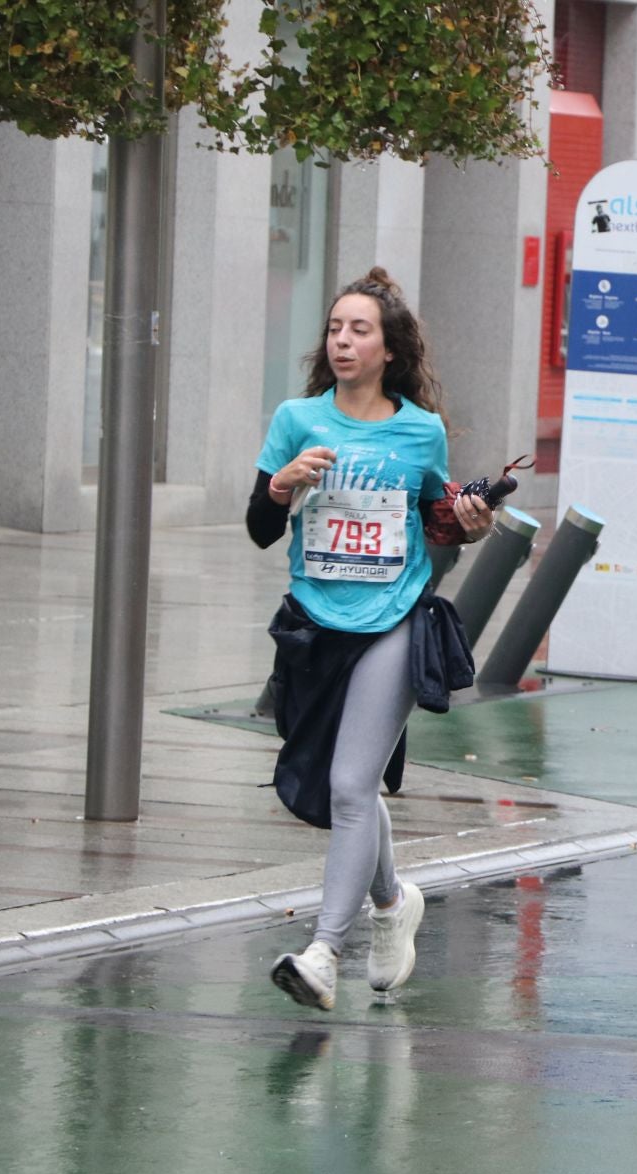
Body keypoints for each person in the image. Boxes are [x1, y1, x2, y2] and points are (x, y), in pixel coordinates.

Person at [253, 267, 492, 1010]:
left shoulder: (419, 430)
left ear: (389, 349)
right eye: (336, 329)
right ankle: (393, 905)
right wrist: (281, 484)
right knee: (334, 779)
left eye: (360, 330)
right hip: (314, 627)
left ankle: (324, 952)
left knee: (352, 786)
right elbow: (261, 530)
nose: (345, 340)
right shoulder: (297, 419)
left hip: (394, 621)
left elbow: (439, 521)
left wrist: (470, 520)